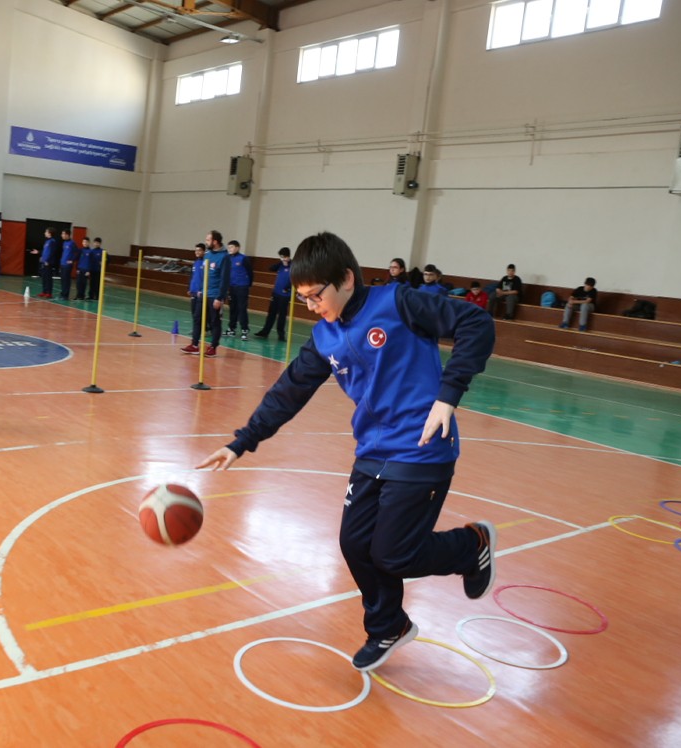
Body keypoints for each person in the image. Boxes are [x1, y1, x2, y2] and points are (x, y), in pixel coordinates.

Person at [197, 231, 496, 673]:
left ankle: (471, 546)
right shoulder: (325, 337)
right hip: (372, 451)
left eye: (317, 295)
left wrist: (448, 394)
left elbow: (477, 324)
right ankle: (389, 626)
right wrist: (241, 441)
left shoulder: (400, 304)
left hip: (422, 449)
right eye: (304, 300)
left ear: (347, 280)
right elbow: (288, 392)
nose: (314, 306)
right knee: (354, 543)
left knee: (394, 553)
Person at [255, 246, 292, 341]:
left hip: (285, 295)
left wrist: (287, 288)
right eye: (281, 257)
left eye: (284, 257)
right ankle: (265, 332)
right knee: (271, 313)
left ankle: (281, 335)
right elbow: (271, 268)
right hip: (275, 293)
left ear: (288, 257)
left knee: (282, 315)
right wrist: (281, 262)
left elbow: (294, 279)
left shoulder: (293, 266)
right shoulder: (280, 265)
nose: (282, 259)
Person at [180, 242, 207, 354]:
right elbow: (192, 277)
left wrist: (202, 290)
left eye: (199, 250)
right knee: (195, 316)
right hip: (194, 293)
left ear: (204, 251)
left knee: (198, 316)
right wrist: (189, 288)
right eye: (196, 250)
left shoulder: (206, 263)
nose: (197, 252)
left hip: (202, 294)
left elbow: (206, 278)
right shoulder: (195, 263)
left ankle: (198, 339)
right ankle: (195, 342)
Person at [225, 240, 253, 340]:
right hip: (232, 287)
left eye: (231, 247)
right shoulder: (228, 258)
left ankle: (244, 329)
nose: (230, 249)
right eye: (228, 248)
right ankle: (231, 328)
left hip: (242, 287)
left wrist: (248, 284)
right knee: (232, 308)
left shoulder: (243, 258)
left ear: (237, 248)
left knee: (242, 309)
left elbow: (250, 272)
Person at [29, 227, 58, 298]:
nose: (44, 233)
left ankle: (49, 293)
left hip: (48, 263)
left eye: (46, 232)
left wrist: (48, 260)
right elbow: (45, 251)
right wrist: (38, 252)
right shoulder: (47, 242)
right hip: (44, 262)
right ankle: (44, 291)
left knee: (48, 278)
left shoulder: (52, 241)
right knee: (44, 277)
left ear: (50, 233)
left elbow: (52, 252)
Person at [58, 229, 79, 300]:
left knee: (66, 280)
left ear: (67, 235)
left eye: (63, 234)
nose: (62, 235)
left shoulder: (72, 243)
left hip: (68, 265)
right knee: (63, 279)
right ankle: (63, 293)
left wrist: (72, 260)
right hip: (62, 264)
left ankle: (65, 295)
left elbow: (77, 253)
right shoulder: (64, 243)